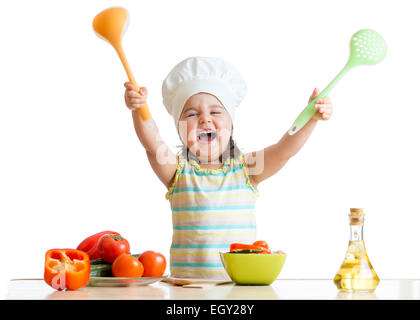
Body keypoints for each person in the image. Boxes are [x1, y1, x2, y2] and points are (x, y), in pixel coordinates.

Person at [124, 56, 333, 279]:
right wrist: (139, 109)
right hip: (186, 291)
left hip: (238, 288)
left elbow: (284, 151)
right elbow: (152, 143)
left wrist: (311, 118)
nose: (205, 119)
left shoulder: (248, 168)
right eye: (192, 114)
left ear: (231, 124)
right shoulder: (177, 171)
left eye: (215, 112)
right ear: (180, 127)